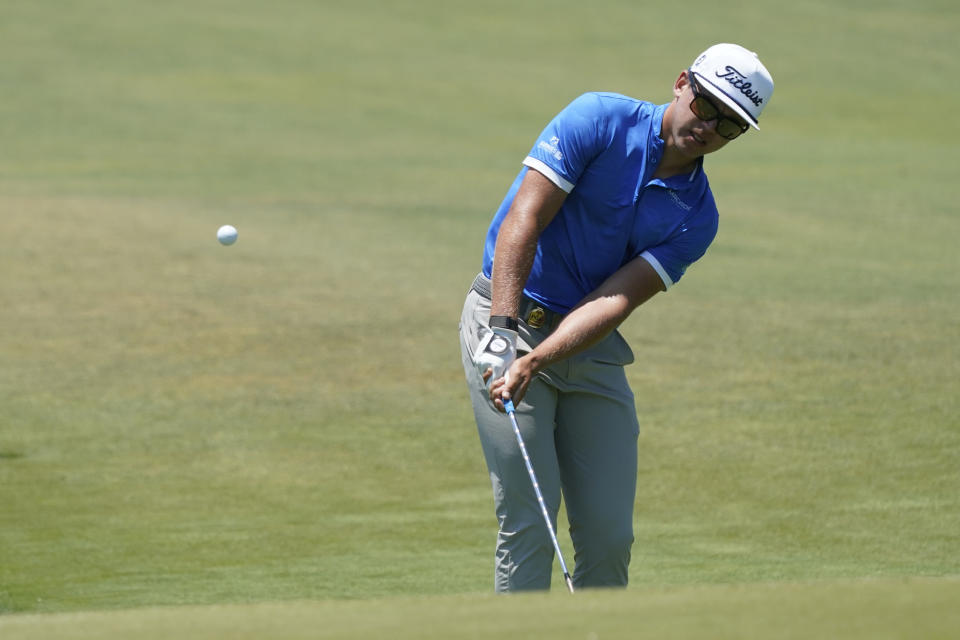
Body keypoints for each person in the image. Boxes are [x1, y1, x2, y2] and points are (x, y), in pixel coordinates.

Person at [458, 43, 775, 592]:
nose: (710, 128)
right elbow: (524, 220)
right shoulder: (599, 118)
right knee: (530, 523)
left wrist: (539, 357)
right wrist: (506, 338)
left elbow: (616, 300)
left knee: (609, 537)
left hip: (586, 344)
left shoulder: (698, 216)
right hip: (505, 316)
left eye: (730, 125)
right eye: (707, 106)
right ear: (682, 83)